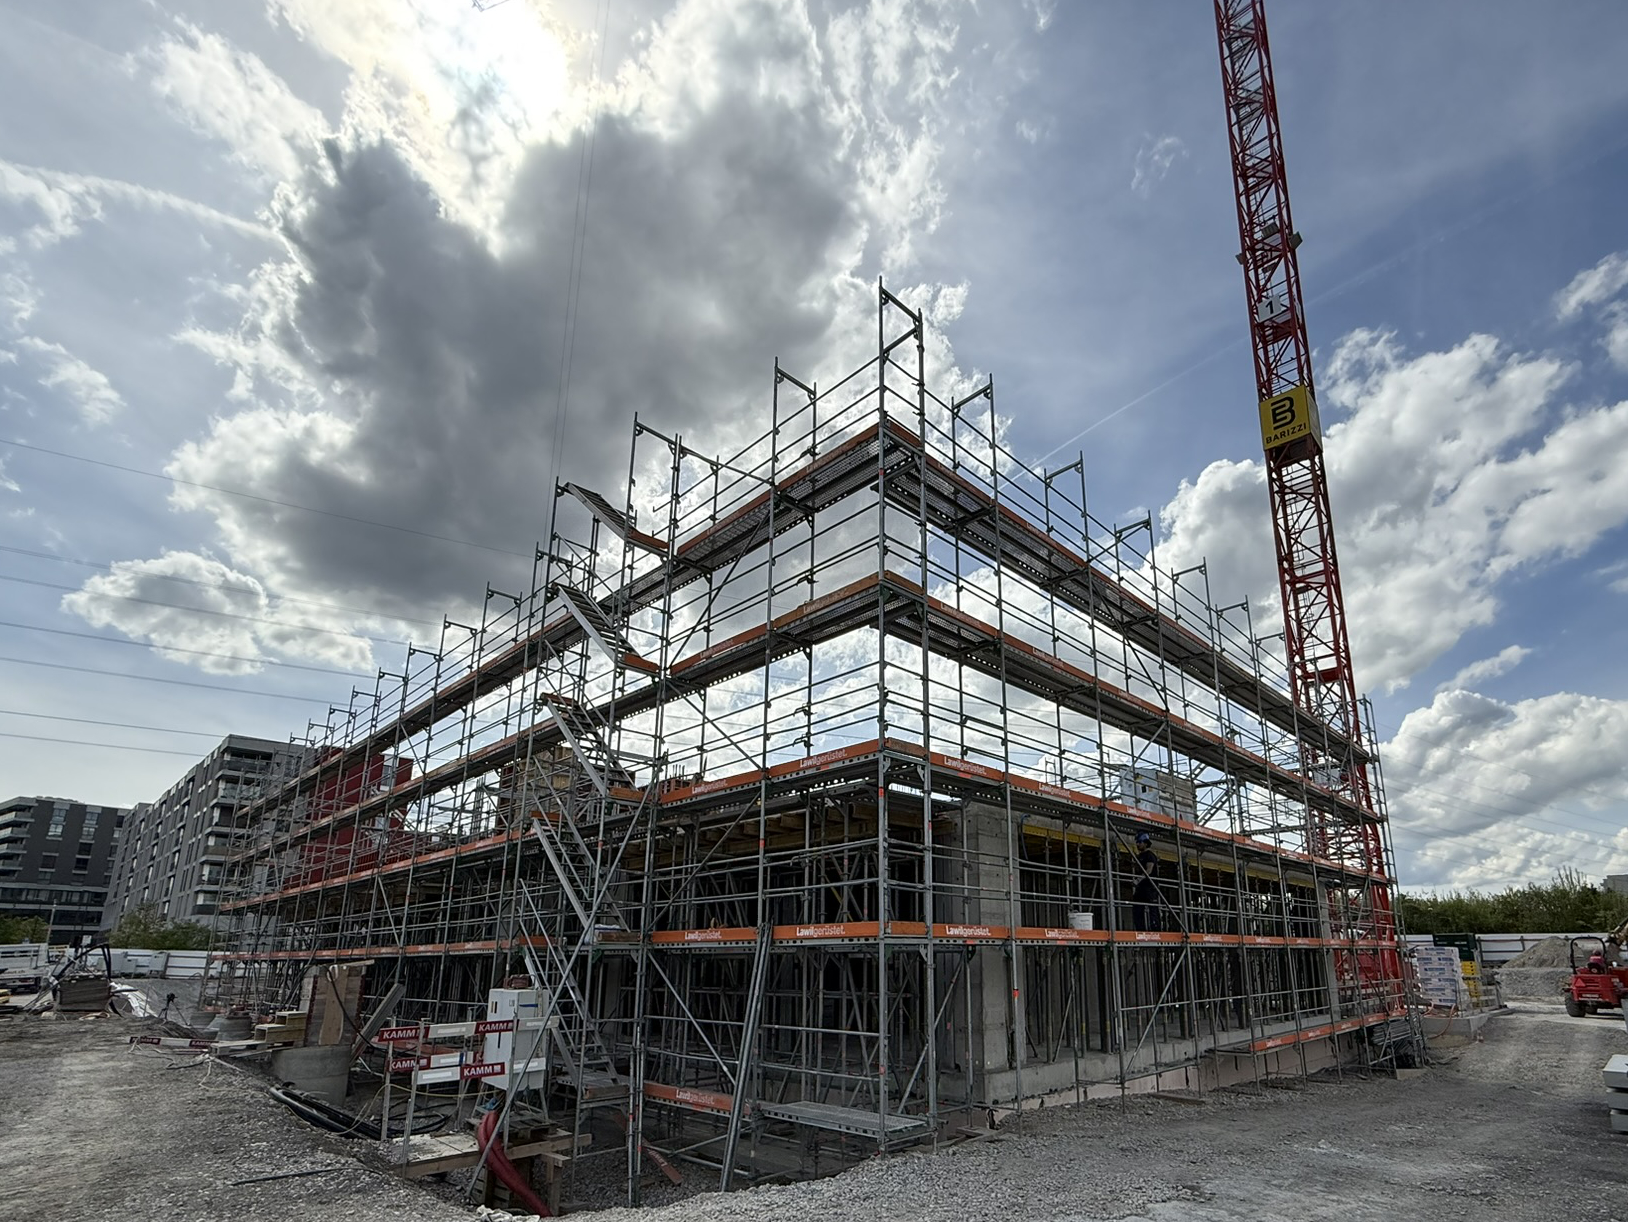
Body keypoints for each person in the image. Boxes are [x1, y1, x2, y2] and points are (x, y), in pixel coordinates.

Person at [1130, 832, 1162, 932]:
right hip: (1142, 887)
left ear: (1146, 843)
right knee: (1137, 908)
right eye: (1137, 842)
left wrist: (1137, 880)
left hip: (1150, 887)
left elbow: (1149, 870)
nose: (1138, 844)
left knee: (1153, 910)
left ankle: (1156, 930)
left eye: (1139, 842)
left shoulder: (1150, 855)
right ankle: (1140, 930)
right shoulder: (1140, 856)